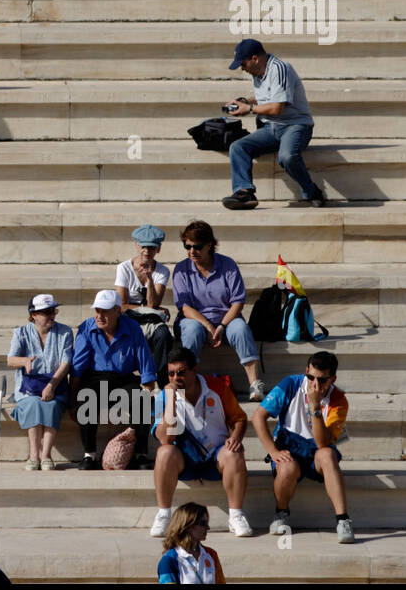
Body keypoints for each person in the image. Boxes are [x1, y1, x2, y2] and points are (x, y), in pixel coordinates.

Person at [252, 351, 353, 543]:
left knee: (327, 455)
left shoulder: (338, 400)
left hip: (317, 448)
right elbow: (258, 417)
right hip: (290, 443)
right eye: (311, 377)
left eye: (323, 380)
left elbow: (324, 443)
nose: (315, 384)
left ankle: (343, 520)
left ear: (333, 379)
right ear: (306, 371)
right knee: (287, 467)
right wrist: (273, 451)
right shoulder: (291, 384)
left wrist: (315, 407)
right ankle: (281, 512)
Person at [150, 347, 252, 539]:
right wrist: (171, 400)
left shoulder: (217, 387)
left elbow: (239, 419)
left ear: (194, 369)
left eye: (181, 372)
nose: (175, 378)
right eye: (170, 374)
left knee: (235, 453)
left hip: (216, 455)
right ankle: (164, 514)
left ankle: (236, 515)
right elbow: (165, 438)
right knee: (164, 452)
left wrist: (236, 437)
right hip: (184, 458)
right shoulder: (163, 396)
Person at [223, 38, 325, 209]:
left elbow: (277, 107)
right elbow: (268, 95)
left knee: (287, 157)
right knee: (238, 147)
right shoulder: (257, 72)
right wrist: (243, 100)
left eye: (244, 64)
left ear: (255, 58)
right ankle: (244, 192)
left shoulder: (280, 68)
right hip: (271, 127)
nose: (242, 68)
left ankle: (311, 191)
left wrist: (248, 109)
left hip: (296, 126)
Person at [170, 220, 264, 399]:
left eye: (197, 246)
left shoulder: (228, 265)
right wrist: (208, 325)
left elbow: (237, 302)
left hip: (225, 319)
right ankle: (187, 385)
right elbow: (185, 307)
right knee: (191, 329)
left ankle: (254, 384)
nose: (191, 251)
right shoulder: (181, 269)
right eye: (187, 246)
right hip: (194, 320)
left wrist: (220, 326)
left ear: (210, 245)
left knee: (240, 329)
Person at [70, 288, 157, 470]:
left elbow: (145, 362)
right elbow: (77, 367)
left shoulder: (132, 327)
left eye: (105, 311)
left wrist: (148, 391)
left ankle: (140, 453)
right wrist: (72, 399)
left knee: (141, 400)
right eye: (97, 310)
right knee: (87, 398)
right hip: (95, 378)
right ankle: (89, 455)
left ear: (118, 311)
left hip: (123, 379)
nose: (100, 315)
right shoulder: (87, 328)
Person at [7, 293, 72, 471]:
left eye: (53, 311)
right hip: (28, 386)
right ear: (34, 315)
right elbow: (10, 360)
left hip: (56, 384)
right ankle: (34, 456)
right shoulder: (20, 332)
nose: (52, 315)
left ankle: (46, 456)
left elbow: (66, 363)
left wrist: (51, 385)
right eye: (46, 312)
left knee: (50, 405)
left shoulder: (64, 332)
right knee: (33, 404)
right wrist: (24, 361)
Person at [115, 223, 173, 375]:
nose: (147, 251)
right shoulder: (124, 268)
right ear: (136, 245)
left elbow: (153, 303)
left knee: (164, 335)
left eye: (152, 248)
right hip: (130, 318)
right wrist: (149, 309)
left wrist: (149, 279)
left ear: (158, 249)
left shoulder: (162, 271)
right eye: (143, 247)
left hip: (150, 320)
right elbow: (121, 305)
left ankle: (159, 378)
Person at [157, 502, 225, 583]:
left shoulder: (211, 554)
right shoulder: (169, 560)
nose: (208, 527)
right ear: (188, 526)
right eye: (203, 523)